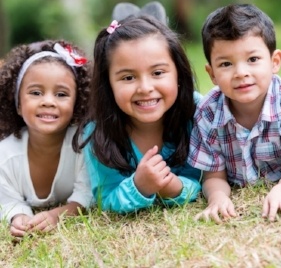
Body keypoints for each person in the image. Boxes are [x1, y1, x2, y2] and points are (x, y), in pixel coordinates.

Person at [74, 15, 202, 213]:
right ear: (108, 85)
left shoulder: (198, 112)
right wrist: (139, 187)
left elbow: (206, 177)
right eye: (128, 77)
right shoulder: (99, 133)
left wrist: (174, 188)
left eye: (158, 73)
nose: (145, 87)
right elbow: (106, 198)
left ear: (179, 73)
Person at [188, 4, 281, 224]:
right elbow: (213, 176)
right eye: (226, 64)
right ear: (211, 73)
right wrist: (217, 197)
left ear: (274, 62)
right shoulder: (207, 112)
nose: (241, 73)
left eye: (253, 60)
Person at [0, 40, 94, 237]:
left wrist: (58, 215)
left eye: (61, 94)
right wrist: (19, 216)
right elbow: (7, 200)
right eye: (36, 93)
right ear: (17, 103)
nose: (48, 102)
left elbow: (87, 194)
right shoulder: (5, 155)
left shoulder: (84, 145)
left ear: (77, 104)